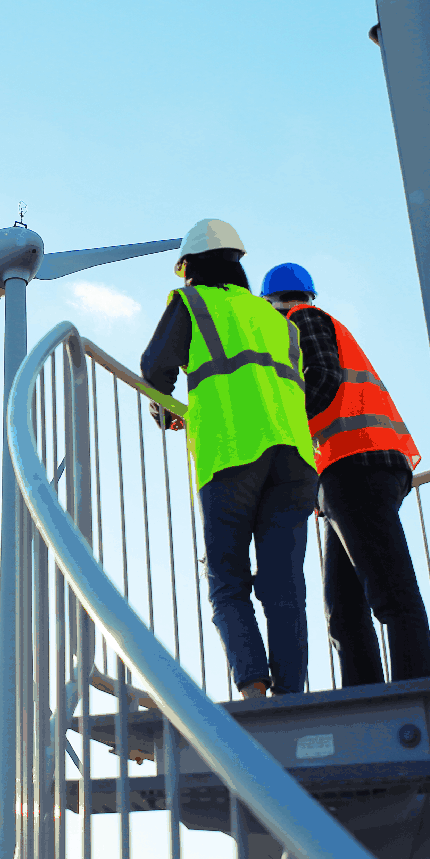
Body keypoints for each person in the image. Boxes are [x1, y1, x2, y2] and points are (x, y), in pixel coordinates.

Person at [140, 219, 316, 700]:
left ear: (190, 266)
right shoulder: (276, 321)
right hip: (295, 460)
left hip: (232, 453)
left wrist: (166, 410)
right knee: (285, 585)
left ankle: (254, 690)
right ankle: (291, 695)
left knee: (228, 580)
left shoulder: (192, 302)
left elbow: (155, 367)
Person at [258, 261, 430, 687]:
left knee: (390, 595)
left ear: (270, 303)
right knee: (344, 610)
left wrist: (281, 430)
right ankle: (367, 697)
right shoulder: (314, 323)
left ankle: (415, 692)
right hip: (353, 469)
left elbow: (322, 379)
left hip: (356, 464)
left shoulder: (302, 320)